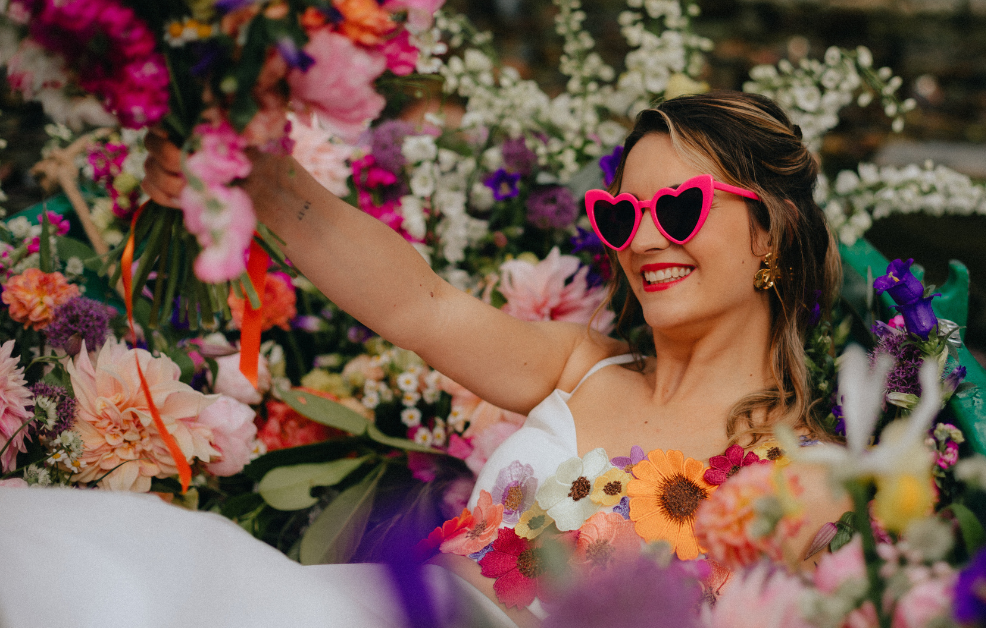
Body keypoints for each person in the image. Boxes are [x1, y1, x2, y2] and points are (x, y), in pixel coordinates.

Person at [6, 90, 849, 628]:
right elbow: (419, 303)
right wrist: (253, 175)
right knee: (122, 570)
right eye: (621, 216)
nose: (645, 238)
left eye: (678, 205)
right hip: (391, 611)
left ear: (768, 228)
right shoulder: (581, 364)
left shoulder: (803, 476)